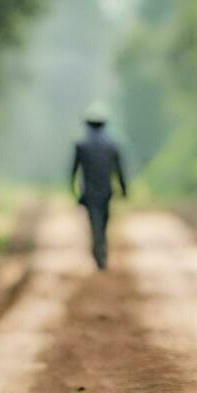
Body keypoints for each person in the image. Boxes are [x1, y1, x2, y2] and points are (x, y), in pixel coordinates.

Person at [70, 104, 127, 270]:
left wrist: (72, 187)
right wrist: (124, 189)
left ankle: (98, 248)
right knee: (103, 221)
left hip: (88, 192)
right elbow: (119, 170)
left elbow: (74, 170)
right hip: (106, 191)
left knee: (93, 220)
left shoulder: (81, 145)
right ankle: (101, 249)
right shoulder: (112, 145)